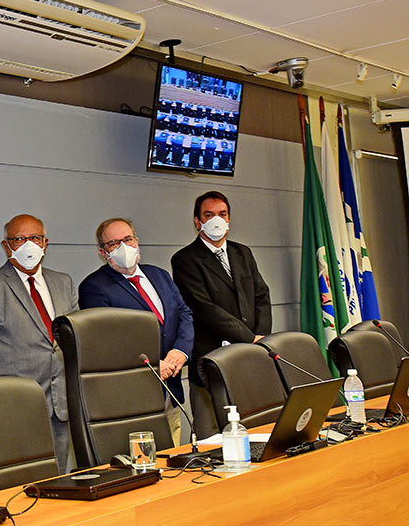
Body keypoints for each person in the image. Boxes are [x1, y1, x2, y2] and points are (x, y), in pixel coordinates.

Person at [0, 214, 79, 473]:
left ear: (45, 243)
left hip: (62, 405)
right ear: (6, 246)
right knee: (24, 483)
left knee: (61, 481)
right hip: (16, 407)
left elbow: (76, 343)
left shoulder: (63, 282)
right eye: (19, 239)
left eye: (35, 238)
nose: (29, 245)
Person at [78, 218, 194, 444]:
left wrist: (181, 351)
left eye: (127, 239)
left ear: (137, 241)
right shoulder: (94, 287)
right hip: (132, 398)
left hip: (171, 391)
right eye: (113, 243)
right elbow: (106, 341)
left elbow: (184, 314)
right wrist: (149, 365)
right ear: (103, 252)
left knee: (174, 457)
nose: (123, 247)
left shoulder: (159, 275)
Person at [170, 190, 271, 435]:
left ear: (229, 219)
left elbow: (261, 296)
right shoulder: (185, 259)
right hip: (211, 364)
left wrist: (261, 338)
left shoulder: (242, 252)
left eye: (222, 214)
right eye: (209, 214)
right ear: (198, 222)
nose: (217, 219)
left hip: (249, 359)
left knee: (255, 430)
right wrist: (249, 338)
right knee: (212, 437)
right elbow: (204, 309)